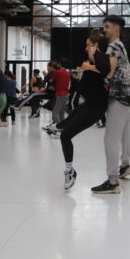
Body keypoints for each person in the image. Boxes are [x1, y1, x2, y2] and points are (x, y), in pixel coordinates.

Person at [47, 30, 110, 190]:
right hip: (89, 104)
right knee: (66, 122)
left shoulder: (100, 59)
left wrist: (91, 64)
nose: (85, 48)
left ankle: (70, 171)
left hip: (95, 108)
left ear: (96, 46)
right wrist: (87, 67)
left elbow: (106, 69)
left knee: (66, 135)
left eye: (88, 46)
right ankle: (55, 126)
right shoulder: (90, 61)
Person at [91, 15, 130, 194]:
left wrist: (92, 60)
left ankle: (112, 181)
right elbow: (127, 72)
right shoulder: (121, 46)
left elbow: (109, 71)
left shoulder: (114, 45)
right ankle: (125, 165)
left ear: (116, 28)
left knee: (110, 138)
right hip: (127, 95)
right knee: (124, 133)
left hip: (118, 96)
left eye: (107, 26)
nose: (104, 30)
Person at [50, 58, 71, 128]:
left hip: (60, 94)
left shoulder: (58, 72)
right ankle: (63, 127)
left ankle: (60, 127)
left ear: (59, 64)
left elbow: (50, 81)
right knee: (61, 113)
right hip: (66, 94)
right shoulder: (68, 74)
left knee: (55, 113)